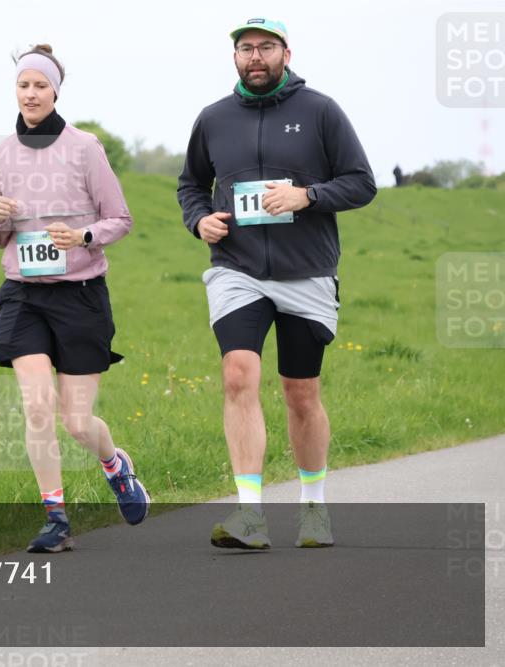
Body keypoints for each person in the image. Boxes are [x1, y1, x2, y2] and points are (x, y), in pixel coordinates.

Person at [177, 19, 376, 549]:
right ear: (235, 57)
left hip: (306, 271)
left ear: (287, 53)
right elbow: (192, 184)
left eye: (266, 47)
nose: (255, 57)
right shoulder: (214, 118)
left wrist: (307, 196)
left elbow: (362, 183)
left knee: (300, 392)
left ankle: (313, 507)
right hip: (235, 268)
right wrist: (199, 220)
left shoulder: (321, 112)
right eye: (246, 48)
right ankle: (250, 515)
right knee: (238, 375)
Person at [0, 44, 150, 553]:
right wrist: (0, 218)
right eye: (22, 85)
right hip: (24, 296)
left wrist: (82, 239)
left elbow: (120, 219)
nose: (30, 93)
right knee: (37, 407)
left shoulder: (85, 148)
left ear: (56, 90)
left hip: (79, 296)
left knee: (77, 423)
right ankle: (55, 517)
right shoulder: (0, 153)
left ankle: (114, 464)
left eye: (39, 85)